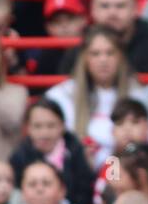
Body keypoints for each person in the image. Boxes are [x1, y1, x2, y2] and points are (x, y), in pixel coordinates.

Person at [45, 25, 135, 166]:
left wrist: (126, 149)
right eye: (95, 54)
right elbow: (47, 142)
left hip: (121, 172)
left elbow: (142, 147)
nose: (103, 60)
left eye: (110, 53)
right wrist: (74, 149)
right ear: (85, 58)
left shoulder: (137, 95)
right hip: (75, 173)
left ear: (120, 57)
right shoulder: (61, 95)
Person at [9, 99, 98, 204]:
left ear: (62, 126)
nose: (44, 133)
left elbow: (85, 194)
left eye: (51, 126)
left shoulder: (76, 150)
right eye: (37, 126)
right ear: (28, 128)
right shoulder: (18, 158)